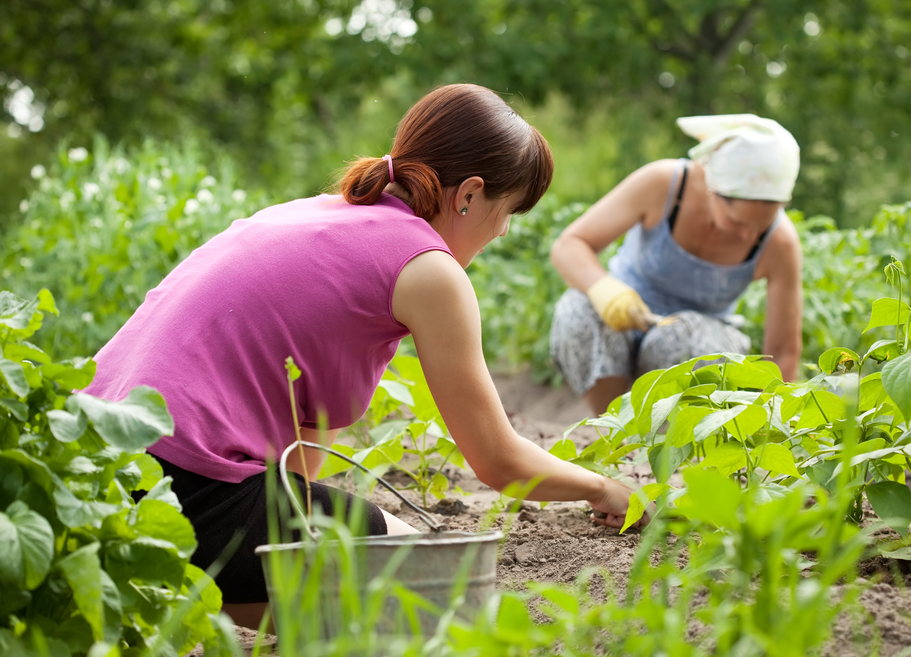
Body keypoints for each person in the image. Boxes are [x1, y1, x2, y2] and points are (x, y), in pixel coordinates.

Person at [84, 84, 643, 629]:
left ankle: (163, 586)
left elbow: (296, 452)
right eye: (510, 211)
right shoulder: (428, 269)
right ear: (469, 195)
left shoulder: (315, 214)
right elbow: (498, 462)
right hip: (187, 487)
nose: (501, 232)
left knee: (346, 586)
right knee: (434, 594)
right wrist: (604, 487)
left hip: (93, 468)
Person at [549, 114, 803, 416]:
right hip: (623, 327)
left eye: (761, 226)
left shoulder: (780, 243)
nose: (748, 235)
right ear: (713, 187)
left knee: (680, 338)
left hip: (697, 344)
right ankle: (614, 426)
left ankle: (675, 437)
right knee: (577, 310)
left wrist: (776, 422)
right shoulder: (664, 186)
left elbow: (784, 351)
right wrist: (604, 289)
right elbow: (569, 245)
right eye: (737, 222)